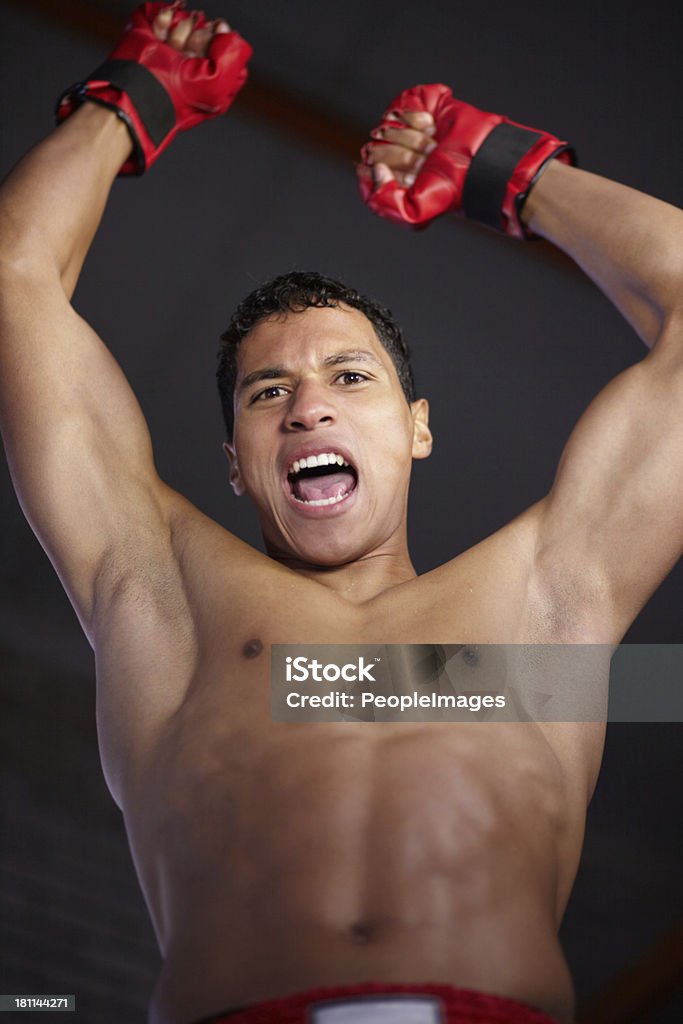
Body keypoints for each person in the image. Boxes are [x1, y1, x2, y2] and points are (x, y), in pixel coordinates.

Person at [0, 3, 681, 1023]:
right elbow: (14, 285)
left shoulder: (542, 600)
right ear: (234, 464)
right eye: (267, 391)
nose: (307, 402)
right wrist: (126, 107)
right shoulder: (167, 599)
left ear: (415, 428)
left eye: (346, 376)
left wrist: (511, 172)